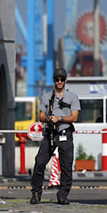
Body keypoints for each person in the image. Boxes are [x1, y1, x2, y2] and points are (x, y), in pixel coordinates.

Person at [31, 68, 80, 205]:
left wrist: (60, 118)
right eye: (57, 79)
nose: (59, 82)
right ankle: (36, 192)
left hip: (65, 132)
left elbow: (75, 116)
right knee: (40, 162)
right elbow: (41, 115)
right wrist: (49, 119)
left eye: (62, 79)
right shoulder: (46, 96)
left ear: (65, 80)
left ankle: (63, 195)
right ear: (54, 80)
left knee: (66, 166)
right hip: (50, 133)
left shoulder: (72, 97)